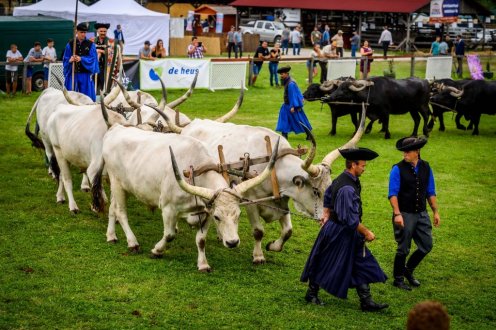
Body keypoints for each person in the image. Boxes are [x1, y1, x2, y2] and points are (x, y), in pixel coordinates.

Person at [301, 147, 388, 312]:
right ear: (353, 165)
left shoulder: (342, 178)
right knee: (326, 261)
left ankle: (366, 301)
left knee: (360, 262)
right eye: (363, 165)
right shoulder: (347, 188)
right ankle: (311, 293)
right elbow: (349, 219)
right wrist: (366, 232)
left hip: (342, 230)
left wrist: (326, 214)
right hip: (339, 232)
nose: (364, 168)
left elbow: (327, 196)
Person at [388, 136, 440, 291]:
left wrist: (435, 211)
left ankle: (407, 270)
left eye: (407, 151)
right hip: (404, 213)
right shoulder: (397, 169)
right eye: (403, 151)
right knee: (403, 248)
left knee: (426, 245)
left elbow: (430, 191)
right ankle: (398, 279)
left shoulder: (426, 167)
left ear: (417, 151)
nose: (404, 154)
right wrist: (397, 214)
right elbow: (393, 194)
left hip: (422, 213)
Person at [63, 22, 99, 101]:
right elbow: (65, 59)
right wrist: (70, 60)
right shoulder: (70, 44)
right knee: (71, 97)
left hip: (85, 75)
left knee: (87, 98)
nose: (83, 34)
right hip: (73, 74)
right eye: (81, 32)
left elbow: (93, 59)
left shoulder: (90, 45)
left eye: (85, 32)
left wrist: (81, 59)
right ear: (77, 32)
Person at [275, 66, 312, 140]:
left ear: (286, 74)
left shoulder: (291, 83)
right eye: (280, 74)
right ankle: (284, 135)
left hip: (291, 105)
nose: (281, 76)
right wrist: (301, 98)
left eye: (282, 74)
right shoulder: (288, 81)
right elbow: (298, 92)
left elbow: (293, 95)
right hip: (287, 105)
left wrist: (293, 106)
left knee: (299, 120)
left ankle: (309, 135)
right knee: (284, 119)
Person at [94, 23, 111, 92]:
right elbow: (90, 51)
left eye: (104, 31)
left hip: (106, 67)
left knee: (105, 85)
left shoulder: (110, 41)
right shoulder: (93, 40)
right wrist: (102, 50)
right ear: (97, 31)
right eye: (101, 31)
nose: (103, 33)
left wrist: (98, 50)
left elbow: (110, 52)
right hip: (94, 66)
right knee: (93, 84)